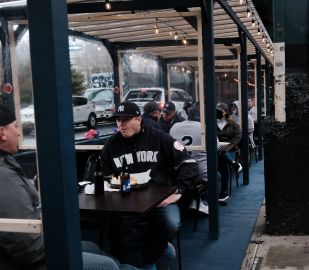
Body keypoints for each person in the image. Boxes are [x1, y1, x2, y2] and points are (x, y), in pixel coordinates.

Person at [0, 104, 138, 270]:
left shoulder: (8, 166)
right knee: (108, 265)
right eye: (15, 126)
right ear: (2, 133)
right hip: (35, 260)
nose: (18, 132)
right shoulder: (4, 176)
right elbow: (27, 246)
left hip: (39, 245)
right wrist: (61, 241)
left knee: (94, 248)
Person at [102, 101, 198, 267]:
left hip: (159, 199)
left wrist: (180, 190)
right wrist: (127, 186)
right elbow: (107, 176)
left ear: (138, 119)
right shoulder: (111, 145)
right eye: (118, 120)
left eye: (126, 120)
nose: (121, 124)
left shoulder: (158, 136)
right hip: (128, 199)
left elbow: (188, 163)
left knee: (171, 223)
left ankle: (156, 248)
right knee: (114, 225)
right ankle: (158, 249)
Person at [216, 102, 242, 202]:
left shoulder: (233, 125)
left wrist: (229, 146)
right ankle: (233, 164)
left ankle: (224, 191)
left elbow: (238, 137)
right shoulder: (212, 123)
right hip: (216, 149)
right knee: (221, 155)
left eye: (220, 111)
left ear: (225, 112)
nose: (217, 112)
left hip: (230, 150)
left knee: (222, 158)